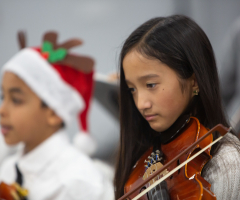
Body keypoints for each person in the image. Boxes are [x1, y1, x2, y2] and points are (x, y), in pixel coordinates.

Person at [114, 15, 240, 200]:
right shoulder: (146, 152)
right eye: (132, 89)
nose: (141, 104)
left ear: (194, 81)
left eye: (150, 85)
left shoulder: (226, 162)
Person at [0, 32, 113, 200]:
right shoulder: (9, 168)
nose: (2, 110)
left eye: (16, 100)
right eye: (3, 97)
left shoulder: (78, 183)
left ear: (54, 112)